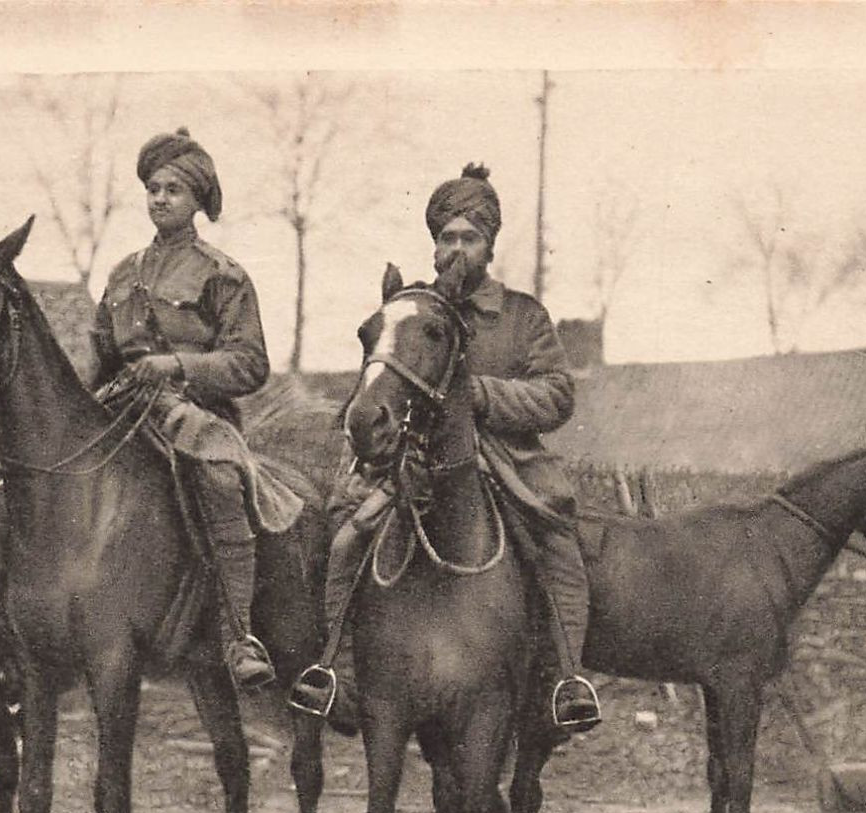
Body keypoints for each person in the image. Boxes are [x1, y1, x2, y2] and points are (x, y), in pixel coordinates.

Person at [294, 163, 601, 734]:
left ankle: (565, 680)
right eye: (447, 238)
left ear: (489, 245)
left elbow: (557, 394)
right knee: (345, 539)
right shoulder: (413, 311)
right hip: (414, 459)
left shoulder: (521, 316)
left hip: (506, 460)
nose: (457, 249)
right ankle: (339, 670)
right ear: (433, 246)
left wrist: (482, 394)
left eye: (470, 237)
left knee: (558, 545)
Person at [91, 128, 285, 691]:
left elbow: (251, 364)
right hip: (122, 409)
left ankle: (239, 634)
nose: (159, 199)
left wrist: (177, 366)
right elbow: (99, 355)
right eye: (152, 188)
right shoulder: (121, 274)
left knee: (221, 481)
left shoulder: (222, 275)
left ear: (198, 199)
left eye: (173, 189)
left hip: (192, 415)